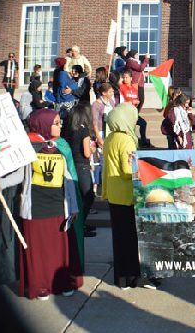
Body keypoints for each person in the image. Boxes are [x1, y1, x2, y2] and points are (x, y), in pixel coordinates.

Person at [19, 109, 84, 300]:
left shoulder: (62, 145)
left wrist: (73, 206)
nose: (60, 125)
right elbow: (17, 176)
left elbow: (70, 177)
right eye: (56, 123)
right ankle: (40, 286)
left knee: (59, 251)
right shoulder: (27, 146)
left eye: (59, 122)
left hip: (58, 207)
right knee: (38, 251)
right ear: (44, 124)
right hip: (35, 208)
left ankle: (62, 283)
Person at [102, 103, 157, 290]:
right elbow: (128, 170)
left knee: (120, 239)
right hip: (127, 195)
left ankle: (122, 278)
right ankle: (135, 277)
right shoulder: (126, 140)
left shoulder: (110, 137)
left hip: (114, 194)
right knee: (132, 239)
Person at [63, 104, 97, 238]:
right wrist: (93, 149)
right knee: (88, 196)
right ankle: (80, 224)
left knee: (77, 197)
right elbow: (87, 153)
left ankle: (80, 224)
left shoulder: (69, 130)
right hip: (82, 166)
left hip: (72, 165)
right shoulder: (84, 131)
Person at [119, 70, 151, 148]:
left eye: (126, 77)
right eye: (124, 77)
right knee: (130, 129)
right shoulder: (122, 87)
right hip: (125, 113)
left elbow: (137, 100)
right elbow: (121, 101)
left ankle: (143, 142)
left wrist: (137, 102)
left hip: (133, 112)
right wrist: (131, 102)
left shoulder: (134, 89)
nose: (125, 79)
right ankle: (130, 143)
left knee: (143, 123)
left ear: (131, 78)